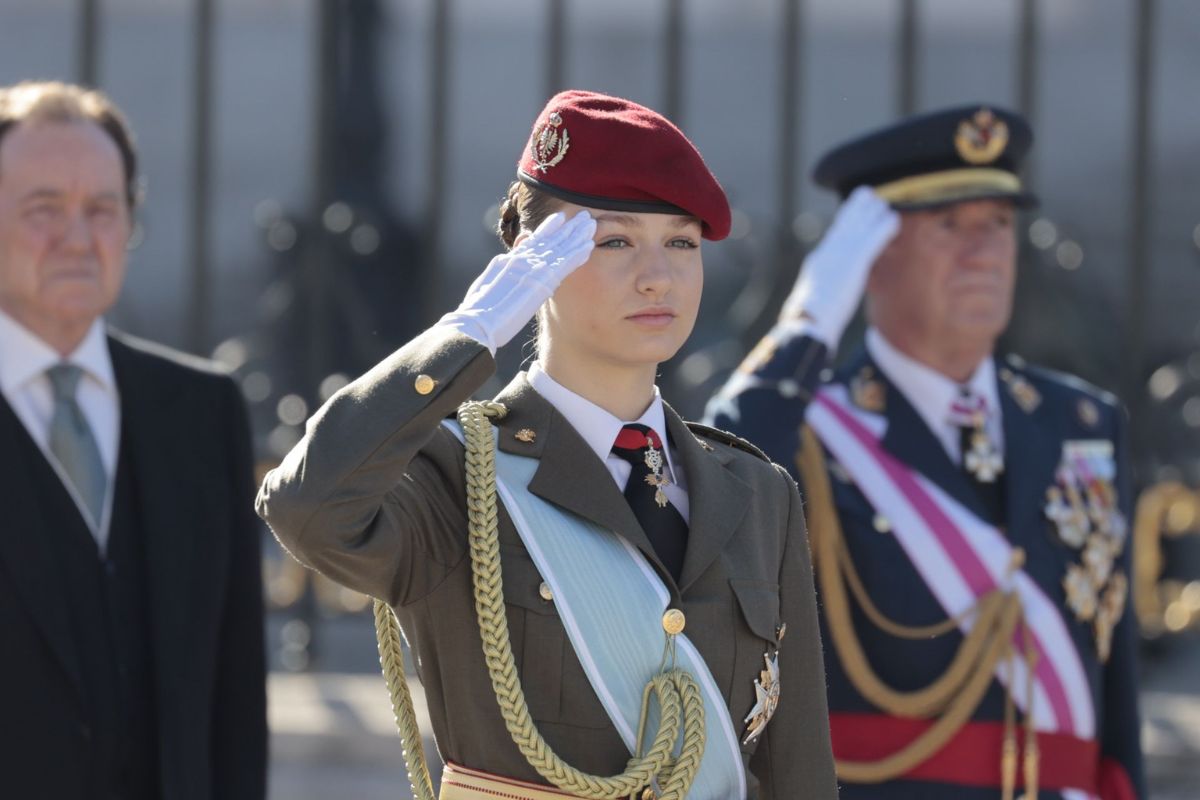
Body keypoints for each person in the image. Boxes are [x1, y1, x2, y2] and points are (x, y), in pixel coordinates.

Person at [258, 90, 837, 800]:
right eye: (614, 241)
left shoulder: (755, 491)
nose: (658, 276)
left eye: (681, 242)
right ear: (534, 261)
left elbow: (797, 768)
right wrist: (467, 335)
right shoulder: (455, 472)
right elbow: (306, 509)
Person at [706, 104, 1145, 799]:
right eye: (948, 225)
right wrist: (808, 324)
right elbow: (722, 481)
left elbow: (1114, 686)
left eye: (997, 223)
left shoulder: (1080, 422)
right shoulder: (807, 428)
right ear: (872, 257)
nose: (983, 250)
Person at [0, 81, 267, 799]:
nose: (78, 238)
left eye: (102, 209)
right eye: (43, 209)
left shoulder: (201, 411)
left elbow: (235, 694)